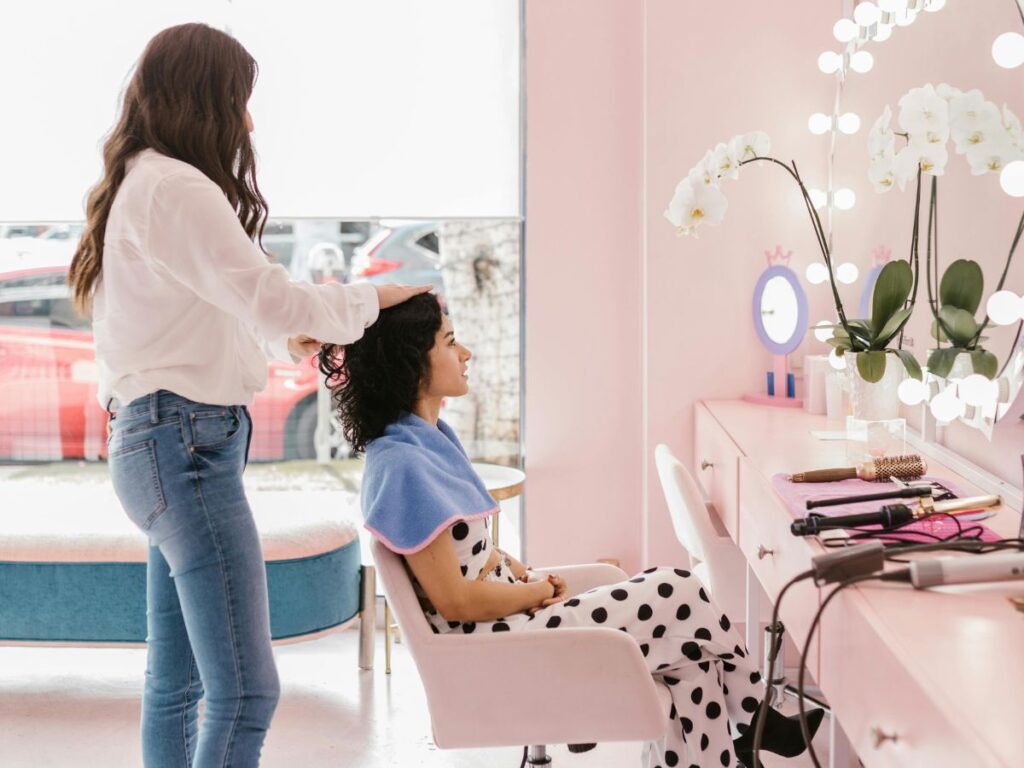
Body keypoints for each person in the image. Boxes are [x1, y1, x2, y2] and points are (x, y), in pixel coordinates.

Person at [67, 23, 428, 768]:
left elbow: (209, 314)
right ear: (206, 99)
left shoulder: (143, 181)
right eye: (242, 101)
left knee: (179, 683)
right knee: (245, 690)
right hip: (183, 445)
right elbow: (271, 299)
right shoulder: (175, 187)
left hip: (160, 442)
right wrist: (374, 297)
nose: (250, 121)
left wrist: (282, 336)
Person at [320, 293, 824, 768]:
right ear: (410, 363)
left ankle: (746, 734)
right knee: (679, 589)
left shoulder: (425, 440)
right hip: (490, 652)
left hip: (507, 627)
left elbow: (464, 552)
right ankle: (757, 718)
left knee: (692, 663)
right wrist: (535, 591)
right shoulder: (403, 464)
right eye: (450, 343)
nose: (466, 352)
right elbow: (454, 602)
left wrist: (516, 570)